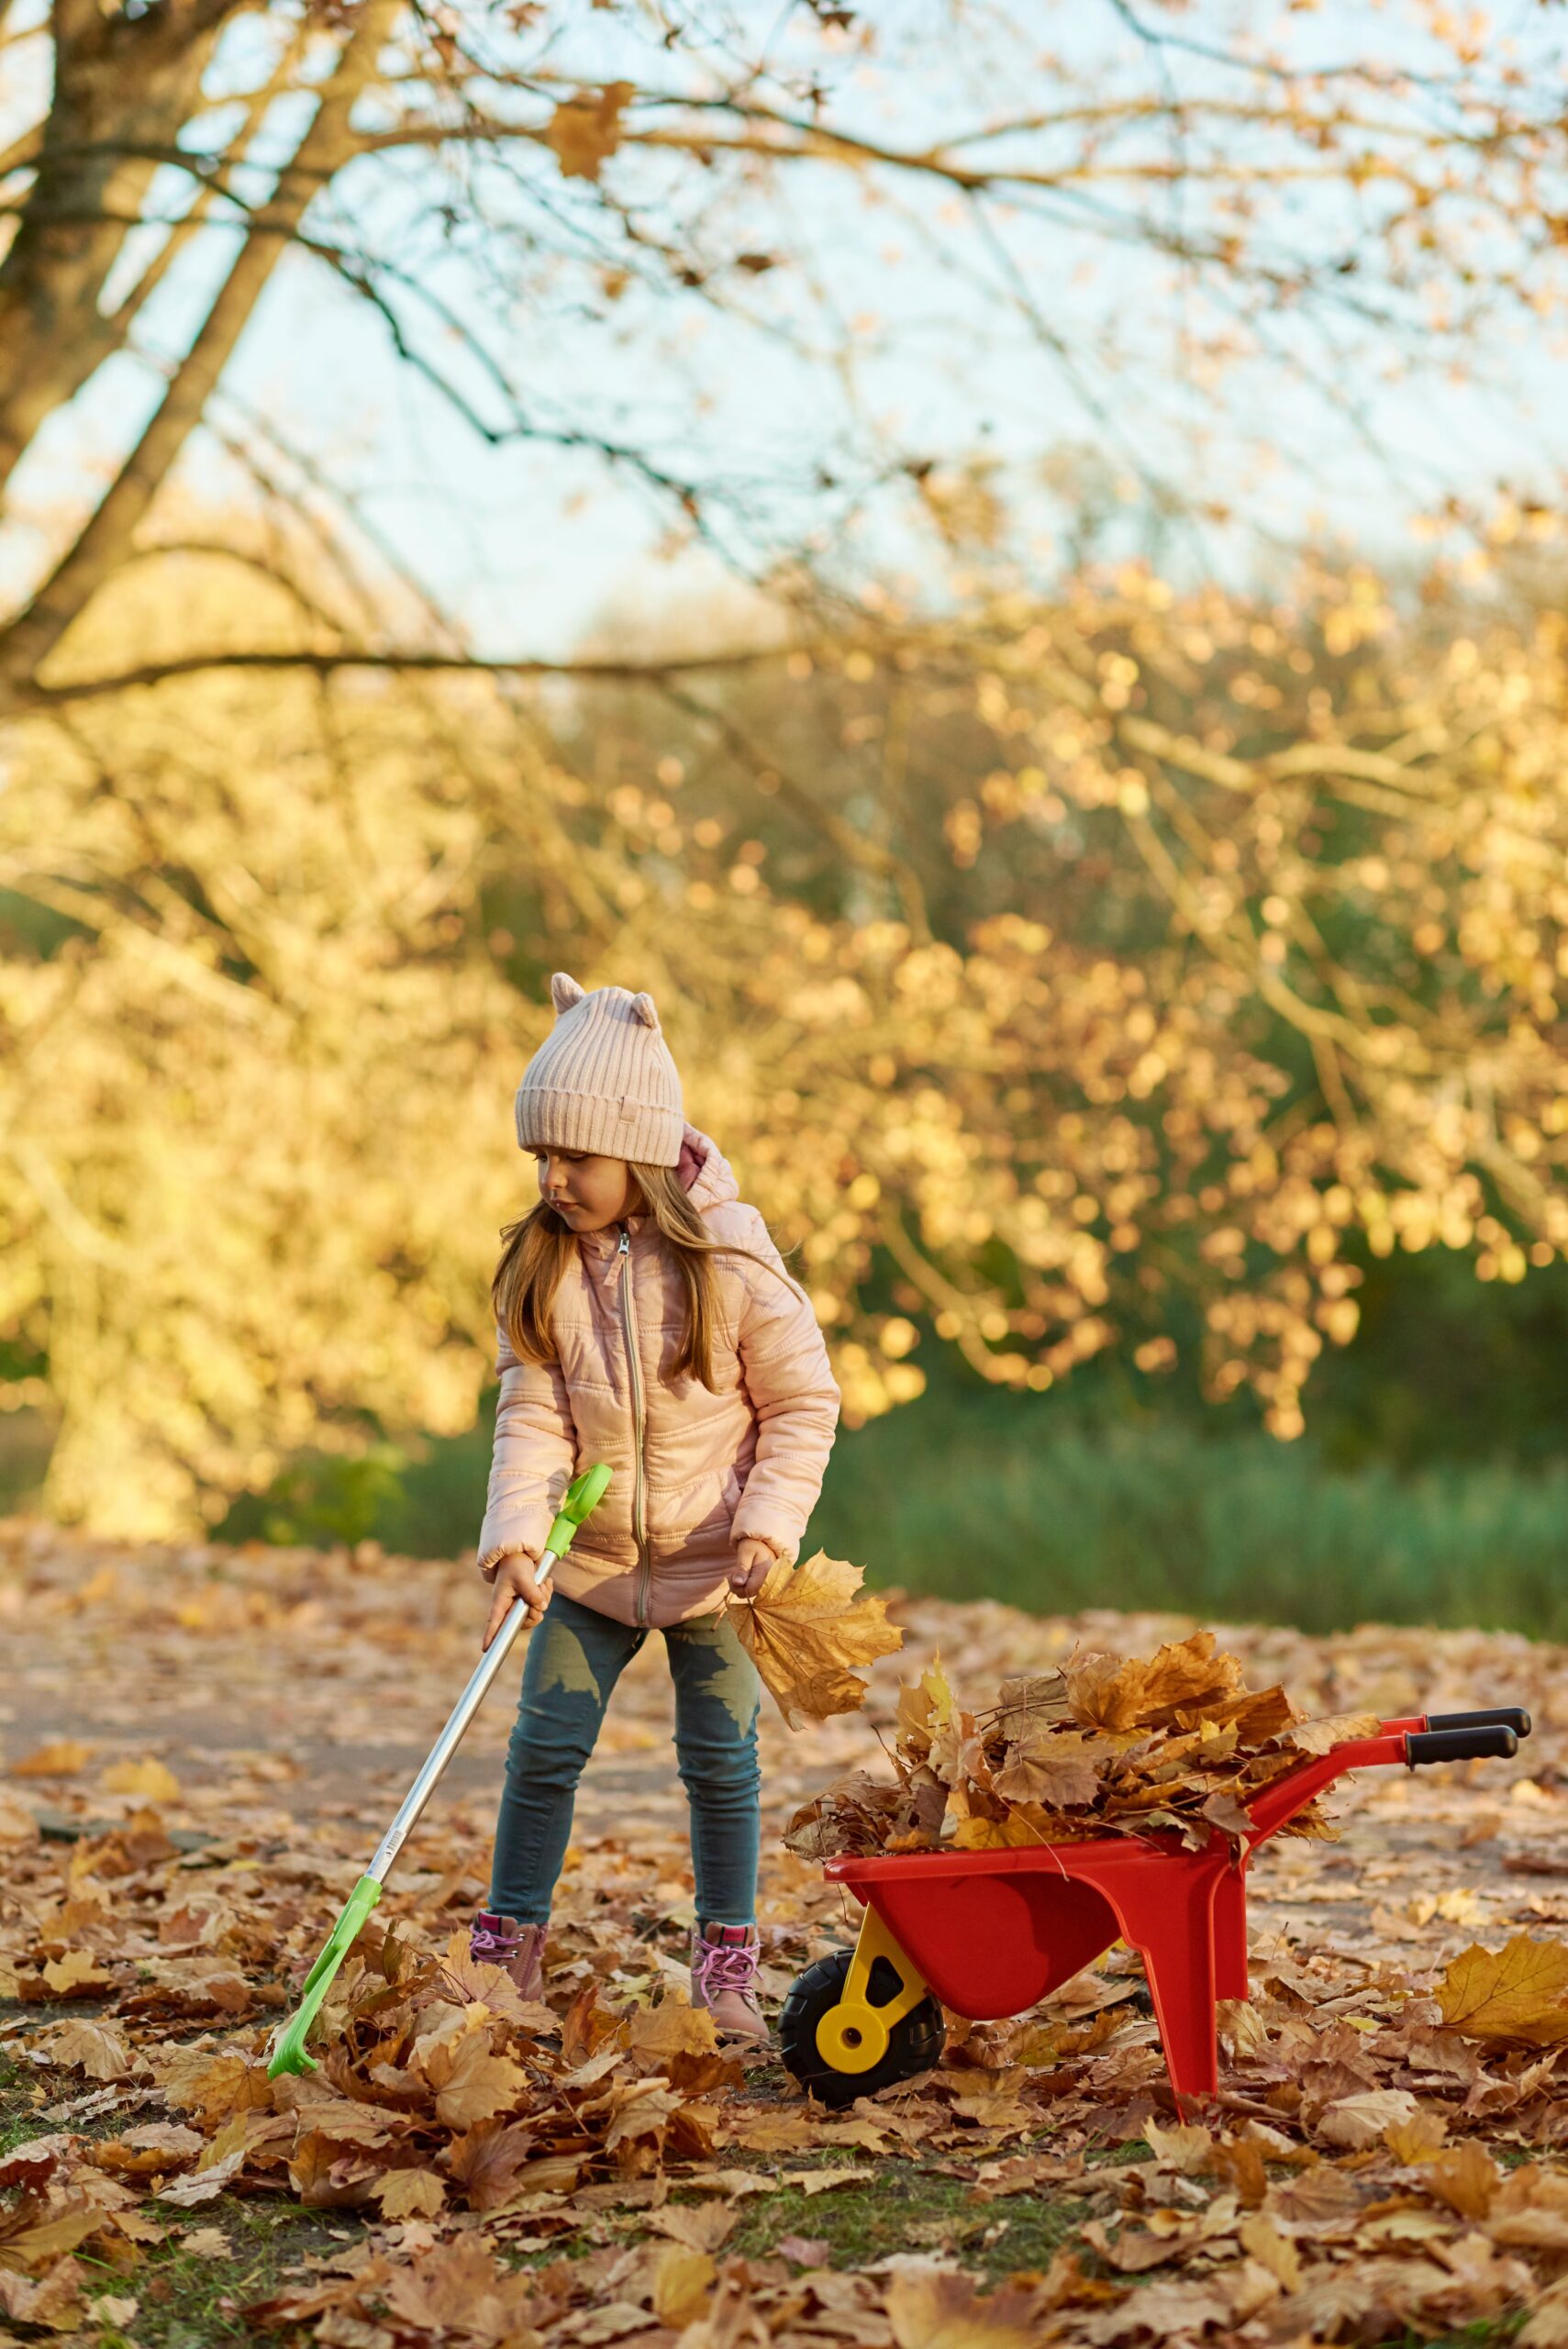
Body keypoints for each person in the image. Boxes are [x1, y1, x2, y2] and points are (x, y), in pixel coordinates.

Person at [469, 972, 840, 2039]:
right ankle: (509, 1948)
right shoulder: (545, 1263)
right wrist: (515, 1542)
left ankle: (725, 1956)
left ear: (634, 1151)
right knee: (542, 1749)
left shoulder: (727, 1258)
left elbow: (802, 1399)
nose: (552, 1179)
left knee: (721, 1759)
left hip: (715, 1565)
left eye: (572, 1158)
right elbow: (530, 1411)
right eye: (540, 1158)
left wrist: (767, 1527)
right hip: (587, 1562)